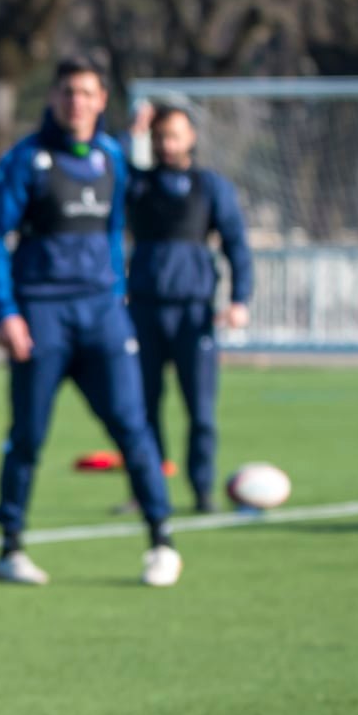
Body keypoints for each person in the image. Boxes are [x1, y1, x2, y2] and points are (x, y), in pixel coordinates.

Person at [0, 58, 181, 587]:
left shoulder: (113, 157)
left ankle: (162, 540)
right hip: (41, 315)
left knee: (133, 427)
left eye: (87, 93)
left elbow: (117, 232)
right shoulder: (26, 159)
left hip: (102, 315)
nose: (77, 102)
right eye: (68, 92)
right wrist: (7, 313)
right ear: (54, 98)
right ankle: (10, 549)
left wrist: (118, 293)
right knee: (27, 436)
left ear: (102, 99)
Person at [126, 102, 254, 513]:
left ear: (191, 138)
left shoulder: (210, 187)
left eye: (174, 135)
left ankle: (202, 490)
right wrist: (131, 134)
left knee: (200, 410)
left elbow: (236, 243)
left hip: (194, 312)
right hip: (144, 309)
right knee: (143, 406)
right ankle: (147, 489)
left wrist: (239, 299)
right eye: (160, 136)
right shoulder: (138, 185)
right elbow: (107, 175)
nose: (167, 144)